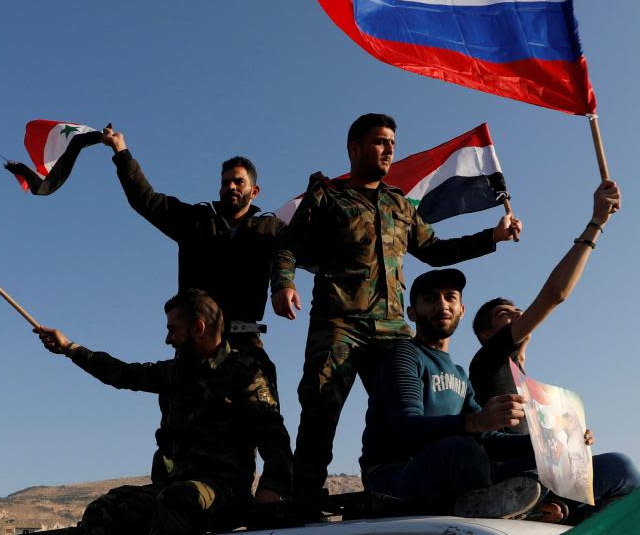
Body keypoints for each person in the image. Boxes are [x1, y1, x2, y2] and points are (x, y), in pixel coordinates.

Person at [269, 113, 522, 505]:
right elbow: (287, 246)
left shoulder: (399, 206)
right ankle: (303, 501)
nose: (389, 149)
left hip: (391, 329)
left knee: (410, 409)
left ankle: (412, 481)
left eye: (392, 143)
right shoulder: (328, 197)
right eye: (379, 141)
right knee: (321, 409)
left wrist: (493, 236)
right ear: (354, 149)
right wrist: (284, 285)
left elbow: (437, 251)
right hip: (339, 324)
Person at [360, 269, 639, 522]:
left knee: (619, 467)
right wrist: (476, 422)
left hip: (467, 478)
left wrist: (556, 441)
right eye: (431, 299)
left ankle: (547, 510)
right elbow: (405, 428)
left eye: (450, 298)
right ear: (412, 312)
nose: (442, 305)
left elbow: (489, 438)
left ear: (461, 309)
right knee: (464, 450)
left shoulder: (457, 373)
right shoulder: (404, 356)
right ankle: (529, 507)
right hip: (397, 481)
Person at [101, 125, 284, 484]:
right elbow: (147, 201)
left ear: (254, 190)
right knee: (177, 429)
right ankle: (170, 497)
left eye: (239, 182)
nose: (230, 187)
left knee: (259, 422)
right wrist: (121, 153)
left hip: (244, 344)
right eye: (226, 181)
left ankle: (251, 497)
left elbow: (298, 256)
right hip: (195, 348)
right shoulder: (197, 222)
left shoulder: (270, 231)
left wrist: (286, 285)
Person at [34, 289, 293, 535]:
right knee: (106, 508)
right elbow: (123, 374)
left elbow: (274, 436)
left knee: (176, 500)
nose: (167, 339)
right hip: (175, 486)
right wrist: (70, 348)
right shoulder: (176, 372)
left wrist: (270, 489)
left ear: (198, 328)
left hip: (225, 491)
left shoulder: (244, 372)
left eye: (172, 330)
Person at [469, 180, 621, 432]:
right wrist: (596, 224)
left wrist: (574, 438)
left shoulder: (525, 385)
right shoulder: (489, 360)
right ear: (486, 335)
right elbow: (554, 294)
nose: (518, 313)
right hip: (510, 469)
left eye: (517, 310)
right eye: (504, 314)